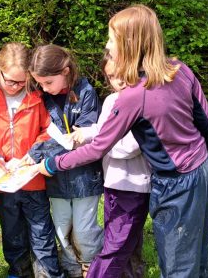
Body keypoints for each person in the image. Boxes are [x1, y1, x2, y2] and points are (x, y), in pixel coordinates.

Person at [38, 5, 208, 278]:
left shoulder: (134, 95)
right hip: (202, 168)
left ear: (129, 44)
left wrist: (52, 163)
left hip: (176, 182)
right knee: (198, 256)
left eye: (111, 39)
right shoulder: (179, 69)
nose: (107, 45)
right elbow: (206, 120)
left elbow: (99, 147)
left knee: (178, 265)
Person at [0, 42, 63, 278]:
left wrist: (32, 154)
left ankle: (48, 272)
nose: (16, 87)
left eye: (22, 81)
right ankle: (19, 271)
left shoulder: (38, 97)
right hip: (4, 181)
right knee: (12, 233)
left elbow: (50, 131)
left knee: (41, 232)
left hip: (34, 178)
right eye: (10, 81)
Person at [70, 52, 151, 278]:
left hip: (134, 184)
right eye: (113, 76)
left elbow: (129, 147)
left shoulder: (142, 100)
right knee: (121, 236)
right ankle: (128, 273)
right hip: (113, 182)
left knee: (118, 242)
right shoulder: (111, 100)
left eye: (124, 73)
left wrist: (97, 145)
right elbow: (103, 129)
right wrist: (86, 134)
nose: (120, 81)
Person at [27, 44, 104, 278]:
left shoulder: (86, 92)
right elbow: (42, 131)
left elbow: (80, 141)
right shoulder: (40, 97)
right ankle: (71, 268)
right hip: (56, 179)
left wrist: (37, 152)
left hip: (85, 177)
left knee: (84, 229)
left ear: (66, 71)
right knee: (61, 226)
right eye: (39, 83)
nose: (43, 88)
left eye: (48, 82)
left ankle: (91, 266)